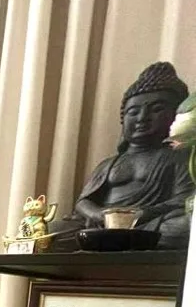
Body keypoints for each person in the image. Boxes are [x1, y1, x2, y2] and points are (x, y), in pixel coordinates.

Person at [53, 61, 191, 245]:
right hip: (101, 225)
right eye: (133, 112)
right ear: (123, 118)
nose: (142, 118)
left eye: (157, 109)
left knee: (185, 225)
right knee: (52, 230)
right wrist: (99, 215)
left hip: (148, 223)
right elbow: (82, 202)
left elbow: (183, 200)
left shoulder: (180, 156)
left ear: (176, 116)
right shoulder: (109, 164)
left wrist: (143, 214)